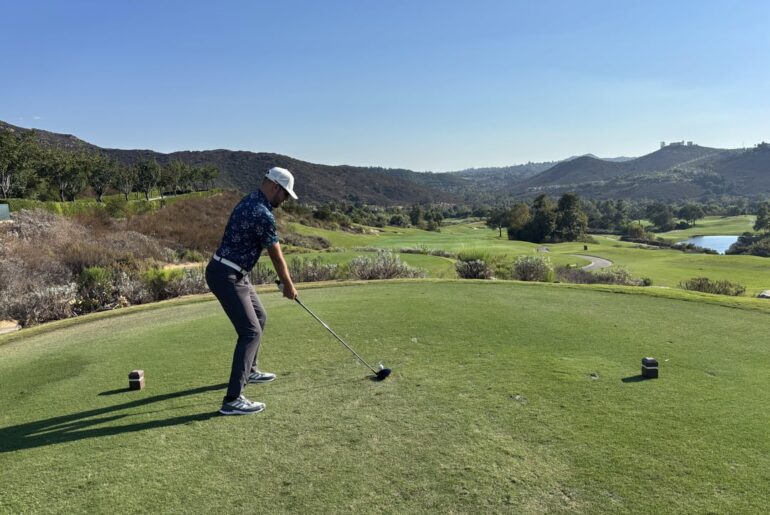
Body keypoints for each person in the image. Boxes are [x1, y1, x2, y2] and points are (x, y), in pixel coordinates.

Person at [206, 167, 299, 415]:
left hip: (234, 272)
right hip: (226, 275)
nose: (286, 200)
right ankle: (232, 400)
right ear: (275, 187)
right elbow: (277, 256)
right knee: (250, 331)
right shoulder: (262, 213)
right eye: (286, 195)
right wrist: (288, 285)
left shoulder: (250, 199)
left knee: (260, 317)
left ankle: (251, 370)